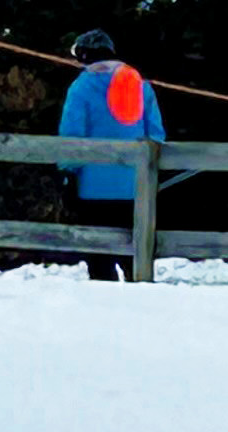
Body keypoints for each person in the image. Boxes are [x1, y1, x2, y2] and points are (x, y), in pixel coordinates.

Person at [57, 29, 162, 279]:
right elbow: (156, 135)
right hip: (136, 187)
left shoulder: (82, 86)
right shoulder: (139, 84)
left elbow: (73, 136)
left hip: (93, 187)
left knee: (99, 255)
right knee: (135, 254)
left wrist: (67, 172)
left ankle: (105, 304)